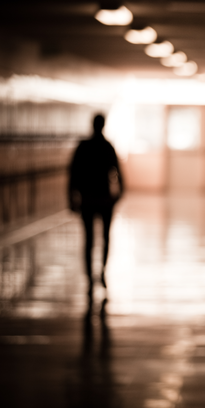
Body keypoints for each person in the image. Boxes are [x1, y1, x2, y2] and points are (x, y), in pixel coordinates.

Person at [68, 114, 124, 297]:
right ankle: (102, 272)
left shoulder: (83, 147)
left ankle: (90, 279)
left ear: (92, 125)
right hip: (105, 199)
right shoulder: (108, 147)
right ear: (103, 125)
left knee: (89, 239)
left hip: (88, 199)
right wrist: (118, 195)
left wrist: (71, 197)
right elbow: (118, 173)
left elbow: (73, 174)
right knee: (106, 237)